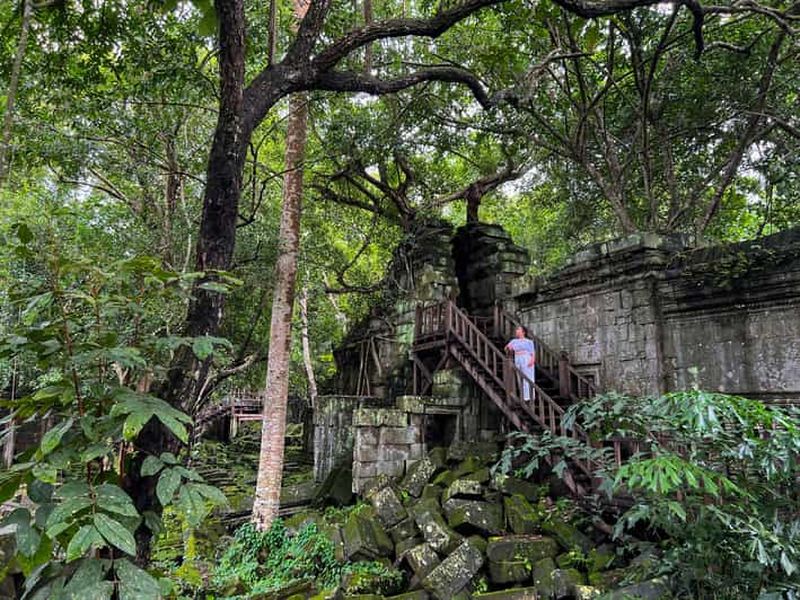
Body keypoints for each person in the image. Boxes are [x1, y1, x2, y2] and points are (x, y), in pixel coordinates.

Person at [505, 325, 536, 401]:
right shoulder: (514, 341)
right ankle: (523, 395)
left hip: (526, 357)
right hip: (517, 357)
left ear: (523, 332)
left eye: (518, 329)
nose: (516, 331)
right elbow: (506, 348)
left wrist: (532, 360)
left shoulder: (529, 341)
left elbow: (532, 352)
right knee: (519, 377)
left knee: (528, 376)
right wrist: (509, 348)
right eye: (516, 330)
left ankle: (529, 396)